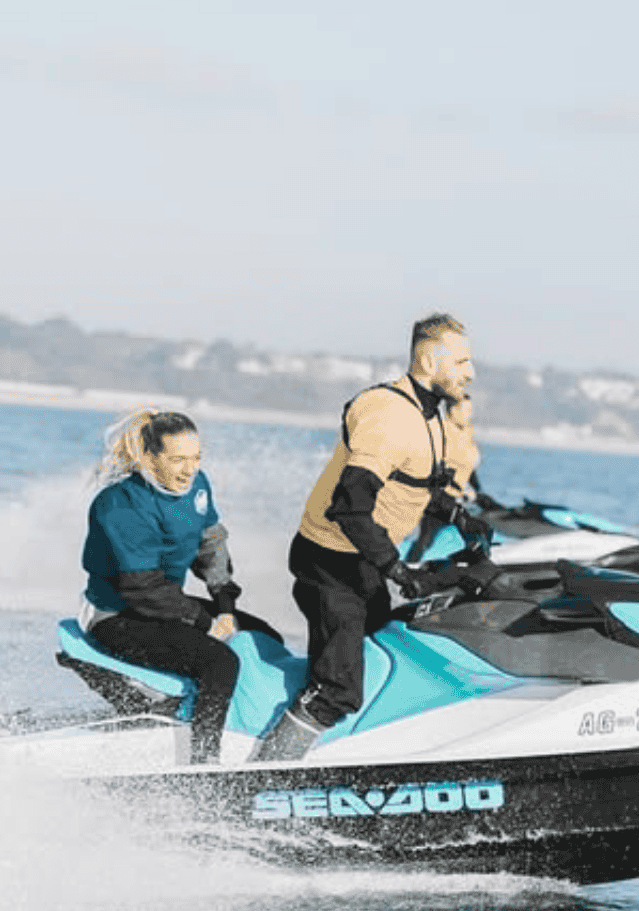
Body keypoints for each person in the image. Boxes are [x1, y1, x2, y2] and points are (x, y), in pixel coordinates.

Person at [258, 313, 479, 761]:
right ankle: (266, 773)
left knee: (383, 649)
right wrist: (396, 569)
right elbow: (349, 506)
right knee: (336, 689)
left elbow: (416, 483)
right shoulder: (388, 416)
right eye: (461, 361)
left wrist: (458, 515)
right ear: (427, 360)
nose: (470, 372)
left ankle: (343, 752)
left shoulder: (430, 415)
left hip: (362, 561)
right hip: (329, 561)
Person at [79, 408, 276, 764]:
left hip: (165, 605)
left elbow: (211, 545)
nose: (189, 469)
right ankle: (203, 767)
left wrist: (226, 606)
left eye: (196, 458)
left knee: (265, 636)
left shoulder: (196, 486)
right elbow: (142, 588)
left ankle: (247, 732)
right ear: (151, 458)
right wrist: (206, 624)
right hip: (118, 617)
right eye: (177, 460)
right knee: (220, 662)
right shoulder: (120, 504)